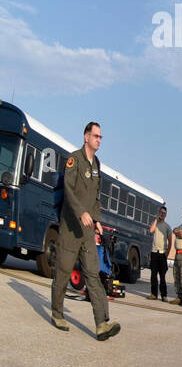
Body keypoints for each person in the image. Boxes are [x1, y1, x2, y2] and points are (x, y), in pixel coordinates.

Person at [49, 121, 120, 341]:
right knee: (63, 270)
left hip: (88, 230)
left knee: (93, 274)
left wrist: (97, 220)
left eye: (101, 137)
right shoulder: (74, 160)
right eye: (96, 136)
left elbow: (96, 197)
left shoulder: (97, 164)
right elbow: (69, 191)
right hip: (71, 227)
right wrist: (81, 212)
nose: (99, 140)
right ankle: (57, 313)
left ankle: (101, 324)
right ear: (86, 136)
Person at [148, 205, 172, 301]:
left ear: (166, 215)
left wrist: (167, 253)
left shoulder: (167, 227)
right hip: (154, 252)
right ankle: (154, 294)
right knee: (153, 275)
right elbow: (151, 230)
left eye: (164, 213)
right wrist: (155, 220)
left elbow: (170, 241)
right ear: (159, 213)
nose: (162, 214)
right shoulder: (156, 223)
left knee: (162, 276)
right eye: (161, 213)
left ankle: (164, 295)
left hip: (162, 254)